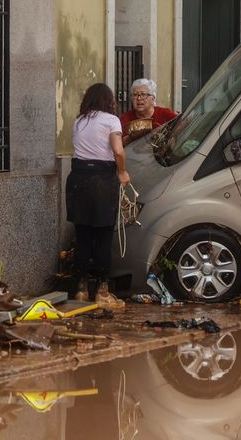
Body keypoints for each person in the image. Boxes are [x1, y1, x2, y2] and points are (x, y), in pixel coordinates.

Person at [66, 83, 131, 309]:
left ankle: (81, 290)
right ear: (109, 100)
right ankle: (103, 292)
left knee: (82, 236)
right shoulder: (112, 120)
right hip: (102, 181)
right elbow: (118, 150)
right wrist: (122, 171)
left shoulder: (79, 121)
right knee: (103, 237)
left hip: (78, 179)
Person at [119, 78, 177, 145]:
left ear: (153, 98)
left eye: (143, 94)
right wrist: (131, 137)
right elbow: (118, 144)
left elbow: (181, 125)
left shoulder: (165, 114)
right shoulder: (125, 118)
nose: (139, 98)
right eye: (135, 95)